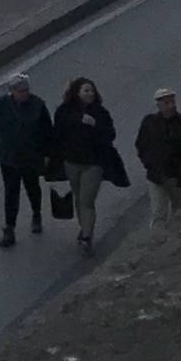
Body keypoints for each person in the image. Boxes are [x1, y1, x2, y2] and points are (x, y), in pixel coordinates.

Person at [52, 75, 123, 252]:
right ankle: (84, 227)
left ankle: (87, 236)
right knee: (78, 196)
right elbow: (57, 133)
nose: (90, 93)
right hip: (72, 163)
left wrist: (95, 126)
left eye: (91, 90)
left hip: (94, 163)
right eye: (86, 90)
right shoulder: (64, 111)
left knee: (86, 200)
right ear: (76, 93)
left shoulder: (100, 113)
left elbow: (110, 134)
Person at [0, 74, 55, 247]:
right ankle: (9, 228)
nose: (24, 94)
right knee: (11, 192)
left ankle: (36, 213)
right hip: (8, 158)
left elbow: (48, 132)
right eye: (20, 91)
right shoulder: (1, 104)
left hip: (30, 156)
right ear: (12, 92)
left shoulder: (38, 105)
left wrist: (47, 154)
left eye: (26, 90)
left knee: (32, 187)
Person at [134, 87, 181, 235]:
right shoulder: (149, 123)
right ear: (159, 105)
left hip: (179, 177)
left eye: (172, 102)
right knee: (159, 213)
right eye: (166, 103)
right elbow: (141, 145)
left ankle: (178, 241)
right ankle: (159, 242)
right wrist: (149, 165)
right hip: (157, 178)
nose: (171, 105)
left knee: (180, 212)